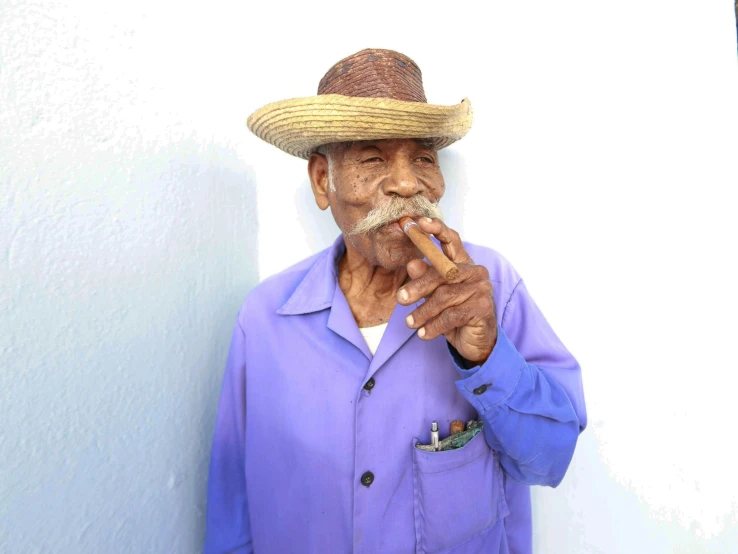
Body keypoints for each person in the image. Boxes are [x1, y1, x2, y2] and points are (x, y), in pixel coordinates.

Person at [204, 48, 586, 554]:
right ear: (323, 180)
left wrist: (487, 353)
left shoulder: (490, 288)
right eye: (372, 157)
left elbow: (550, 459)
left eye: (423, 158)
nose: (407, 183)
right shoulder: (265, 316)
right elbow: (232, 508)